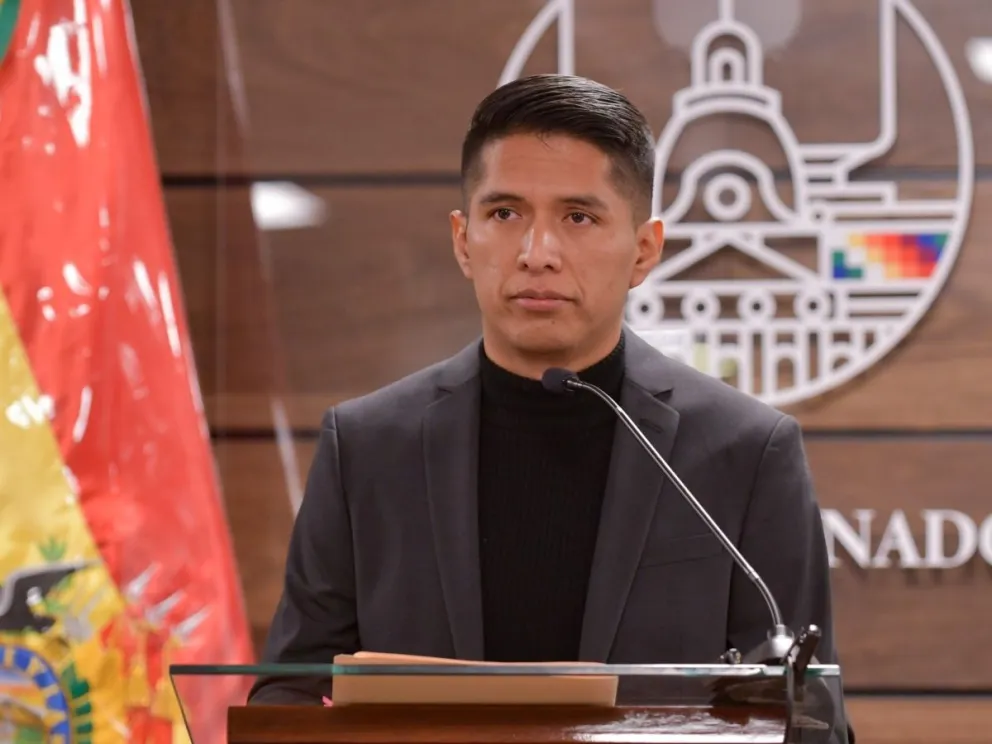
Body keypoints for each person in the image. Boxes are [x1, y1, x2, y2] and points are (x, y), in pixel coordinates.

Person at [247, 73, 851, 739]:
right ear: (463, 240)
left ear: (644, 250)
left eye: (578, 218)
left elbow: (810, 717)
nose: (537, 254)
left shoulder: (747, 451)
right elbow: (289, 691)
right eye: (505, 214)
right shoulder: (366, 446)